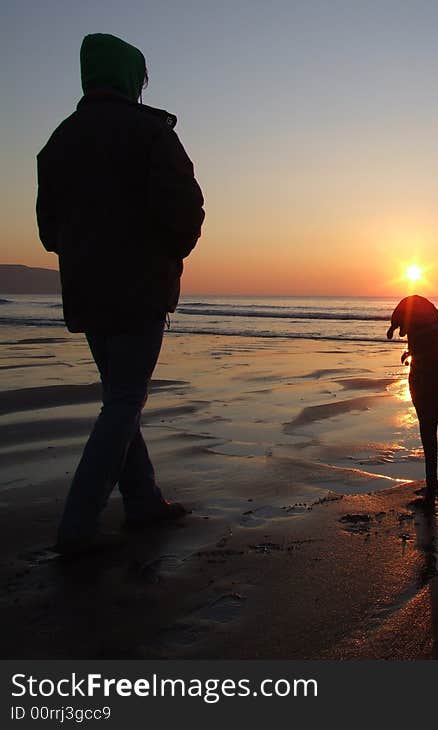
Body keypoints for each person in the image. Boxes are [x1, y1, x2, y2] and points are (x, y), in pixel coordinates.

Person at [36, 33, 205, 556]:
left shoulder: (59, 141)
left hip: (86, 291)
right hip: (139, 289)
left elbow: (48, 231)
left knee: (120, 398)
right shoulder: (149, 133)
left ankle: (142, 500)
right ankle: (77, 524)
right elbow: (185, 211)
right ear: (131, 78)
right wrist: (168, 252)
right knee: (125, 402)